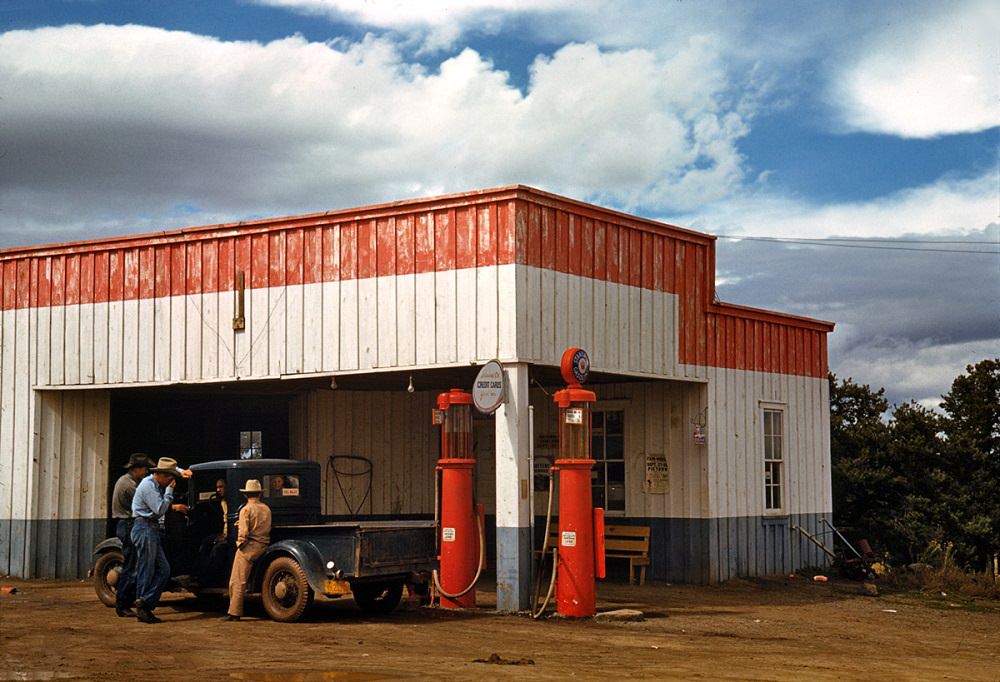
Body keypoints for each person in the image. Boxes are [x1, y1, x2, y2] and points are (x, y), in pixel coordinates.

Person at [131, 457, 190, 624]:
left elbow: (173, 467)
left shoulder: (155, 482)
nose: (171, 482)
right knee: (147, 569)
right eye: (170, 478)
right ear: (162, 476)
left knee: (164, 570)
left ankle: (145, 601)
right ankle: (143, 608)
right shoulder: (149, 486)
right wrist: (169, 493)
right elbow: (159, 510)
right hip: (145, 528)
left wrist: (182, 471)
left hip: (150, 528)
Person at [222, 479, 272, 621]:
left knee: (237, 580)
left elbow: (244, 533)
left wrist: (239, 544)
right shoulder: (266, 508)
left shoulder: (246, 509)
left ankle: (234, 612)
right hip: (263, 545)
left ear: (246, 495)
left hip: (249, 547)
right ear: (259, 494)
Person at [110, 453, 151, 617]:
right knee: (132, 566)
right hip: (128, 524)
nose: (146, 471)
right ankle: (122, 604)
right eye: (145, 468)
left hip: (126, 524)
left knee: (132, 564)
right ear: (137, 469)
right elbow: (145, 503)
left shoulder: (129, 481)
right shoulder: (129, 485)